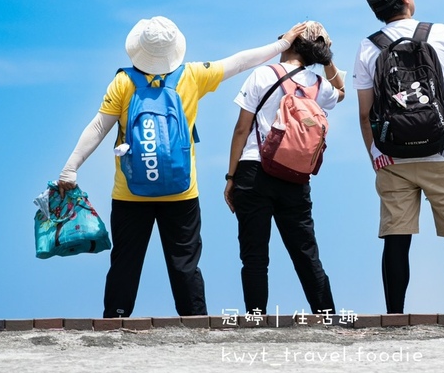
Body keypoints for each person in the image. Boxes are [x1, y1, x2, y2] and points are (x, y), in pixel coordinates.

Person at [57, 17, 308, 318]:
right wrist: (282, 43)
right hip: (181, 192)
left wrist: (70, 169)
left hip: (130, 192)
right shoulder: (191, 76)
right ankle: (195, 321)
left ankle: (116, 320)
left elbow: (99, 127)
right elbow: (240, 62)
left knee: (125, 262)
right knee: (185, 263)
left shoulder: (123, 82)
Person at [352, 0, 444, 314]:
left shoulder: (369, 46)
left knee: (397, 236)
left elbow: (365, 114)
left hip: (392, 155)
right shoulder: (439, 33)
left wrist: (376, 154)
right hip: (443, 153)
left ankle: (394, 315)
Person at [224, 21, 345, 314]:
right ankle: (326, 315)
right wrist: (327, 57)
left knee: (254, 256)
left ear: (289, 43)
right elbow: (341, 91)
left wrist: (231, 177)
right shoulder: (318, 85)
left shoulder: (263, 74)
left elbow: (242, 129)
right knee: (306, 253)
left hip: (254, 170)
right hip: (295, 175)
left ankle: (255, 318)